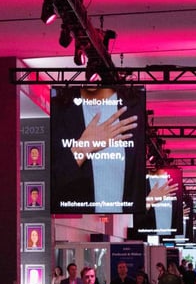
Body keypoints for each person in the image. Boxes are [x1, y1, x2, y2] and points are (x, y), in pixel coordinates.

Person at [50, 86, 144, 214]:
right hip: (74, 224)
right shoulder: (57, 110)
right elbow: (44, 187)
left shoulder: (137, 107)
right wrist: (82, 149)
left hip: (123, 227)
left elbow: (137, 185)